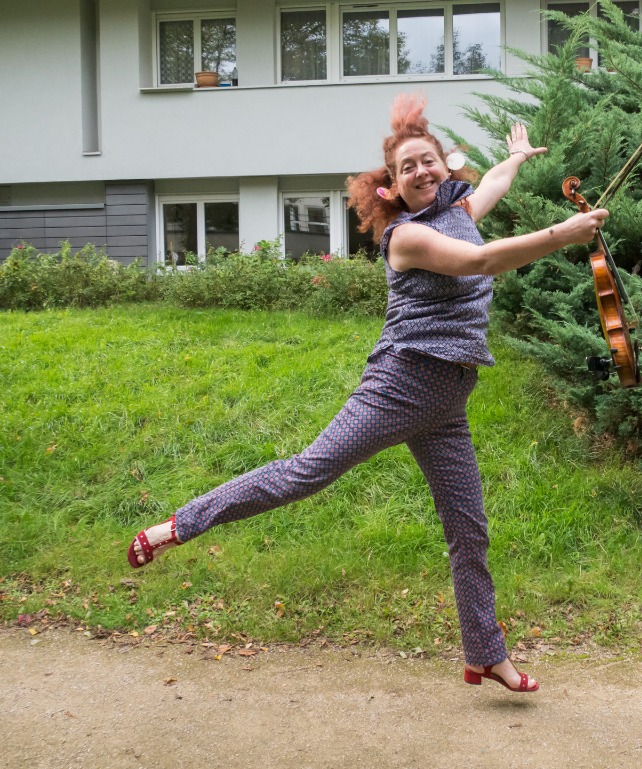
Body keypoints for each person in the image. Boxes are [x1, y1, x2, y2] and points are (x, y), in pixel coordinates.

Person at [127, 93, 609, 694]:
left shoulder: (458, 209)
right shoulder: (406, 238)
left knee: (469, 530)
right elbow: (482, 261)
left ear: (444, 165)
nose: (421, 172)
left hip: (448, 400)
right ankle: (177, 526)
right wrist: (566, 232)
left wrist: (513, 159)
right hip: (401, 384)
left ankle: (484, 653)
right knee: (303, 474)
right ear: (393, 189)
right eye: (407, 168)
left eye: (428, 161)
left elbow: (490, 187)